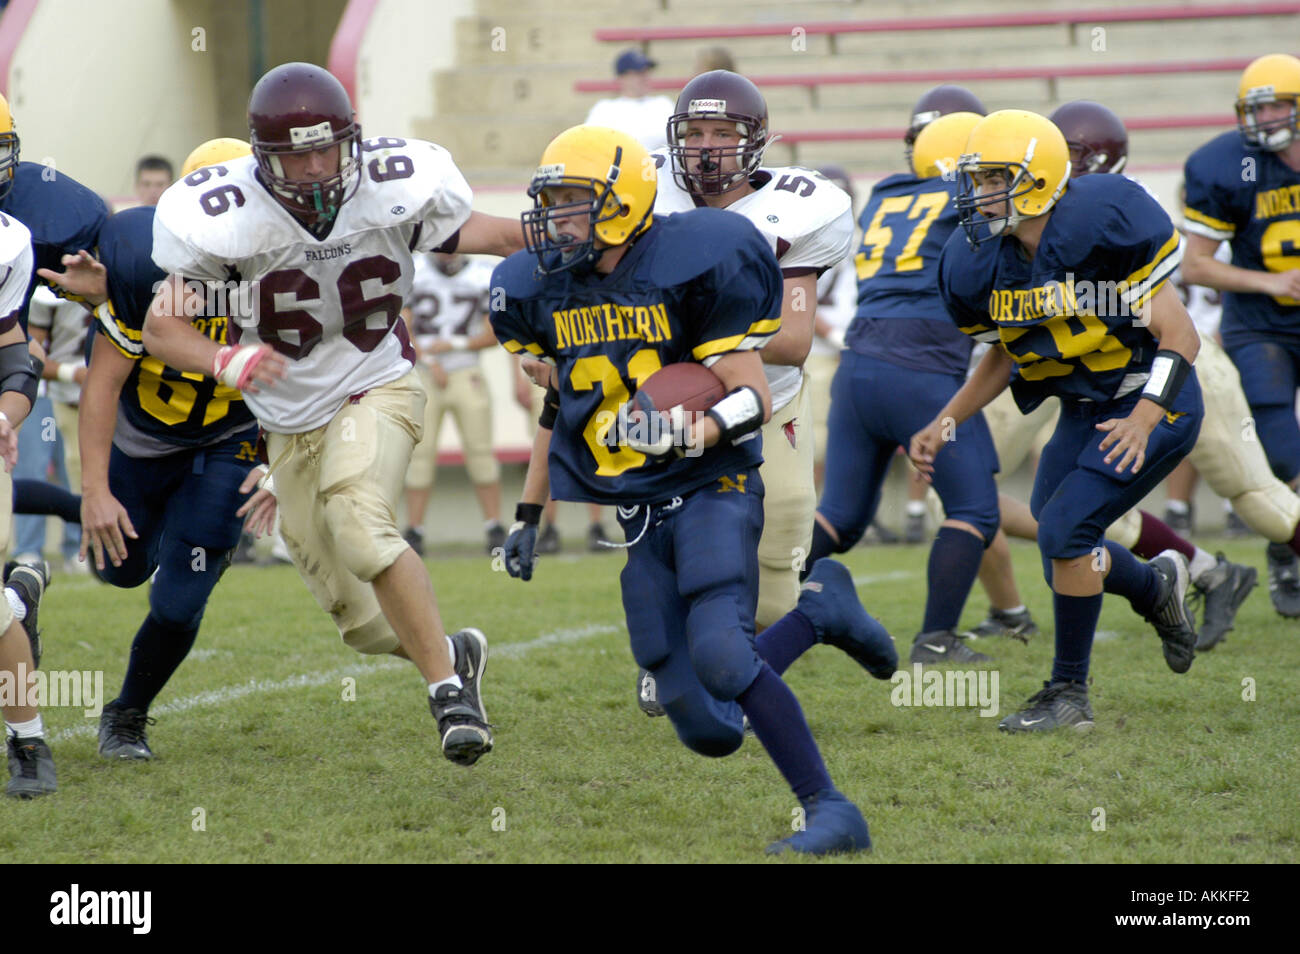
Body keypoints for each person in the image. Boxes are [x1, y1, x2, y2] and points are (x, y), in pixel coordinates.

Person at [495, 124, 891, 854]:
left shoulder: (695, 260)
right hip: (640, 509)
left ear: (620, 204)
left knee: (722, 654)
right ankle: (820, 612)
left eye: (573, 203)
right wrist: (527, 512)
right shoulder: (542, 289)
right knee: (707, 726)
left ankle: (832, 809)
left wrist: (696, 434)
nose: (556, 221)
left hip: (716, 484)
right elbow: (564, 407)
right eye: (550, 204)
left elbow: (751, 396)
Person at [142, 62, 524, 766]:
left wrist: (571, 249)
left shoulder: (394, 186)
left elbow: (498, 238)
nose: (320, 169)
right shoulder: (225, 219)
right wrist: (227, 361)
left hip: (377, 384)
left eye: (330, 148)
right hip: (289, 425)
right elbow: (162, 327)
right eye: (299, 154)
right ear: (263, 160)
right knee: (362, 622)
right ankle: (454, 654)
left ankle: (447, 697)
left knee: (357, 513)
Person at [914, 109, 1203, 732]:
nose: (979, 192)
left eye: (995, 178)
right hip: (1085, 408)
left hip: (1150, 398)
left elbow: (1181, 335)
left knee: (1065, 533)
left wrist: (1147, 418)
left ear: (1038, 179)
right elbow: (1005, 351)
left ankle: (1069, 695)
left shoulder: (1104, 224)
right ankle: (1156, 587)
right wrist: (948, 418)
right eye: (978, 178)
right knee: (1057, 543)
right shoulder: (986, 259)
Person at [39, 139, 274, 761]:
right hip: (142, 441)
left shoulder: (284, 273)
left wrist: (283, 463)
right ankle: (166, 522)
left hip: (232, 439)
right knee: (119, 570)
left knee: (179, 596)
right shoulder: (143, 266)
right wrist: (93, 492)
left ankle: (127, 715)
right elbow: (103, 385)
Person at [802, 110, 1016, 666]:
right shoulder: (965, 199)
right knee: (974, 507)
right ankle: (937, 638)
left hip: (857, 367)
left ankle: (749, 602)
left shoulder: (885, 194)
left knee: (840, 516)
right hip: (920, 372)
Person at [1182, 53, 1300, 615]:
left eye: (1277, 105)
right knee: (1281, 446)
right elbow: (1195, 265)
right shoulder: (1226, 164)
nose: (1265, 118)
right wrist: (1272, 281)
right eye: (1256, 108)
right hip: (1261, 324)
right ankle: (1286, 547)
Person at [0, 209, 56, 797]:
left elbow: (16, 358)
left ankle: (29, 741)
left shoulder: (9, 243)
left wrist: (4, 418)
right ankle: (21, 598)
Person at [401, 251, 505, 556]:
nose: (447, 250)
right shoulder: (414, 269)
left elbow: (494, 333)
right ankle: (415, 530)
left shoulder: (485, 274)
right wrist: (430, 359)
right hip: (424, 371)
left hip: (466, 370)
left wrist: (455, 345)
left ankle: (494, 526)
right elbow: (402, 326)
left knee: (481, 452)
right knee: (420, 455)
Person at [584, 49, 675, 152]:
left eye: (646, 72)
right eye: (638, 73)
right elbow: (589, 144)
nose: (645, 77)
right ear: (622, 77)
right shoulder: (604, 109)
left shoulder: (663, 104)